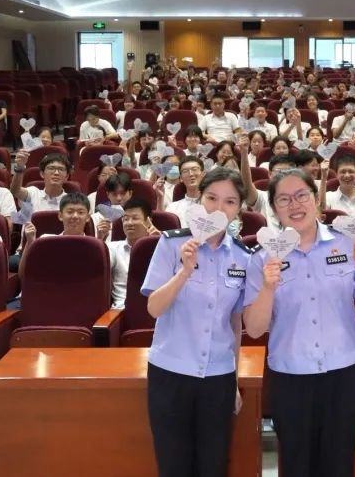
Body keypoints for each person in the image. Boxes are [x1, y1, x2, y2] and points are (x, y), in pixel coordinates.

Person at [244, 168, 355, 477]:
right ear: (274, 208)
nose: (295, 205)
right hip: (290, 377)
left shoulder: (348, 245)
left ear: (316, 200)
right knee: (296, 465)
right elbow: (253, 329)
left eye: (301, 195)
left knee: (339, 463)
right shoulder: (261, 257)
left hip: (344, 374)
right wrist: (267, 287)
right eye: (284, 199)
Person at [143, 168, 251, 477]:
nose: (219, 208)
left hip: (218, 376)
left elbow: (235, 324)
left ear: (239, 208)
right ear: (199, 200)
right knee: (173, 465)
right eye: (212, 198)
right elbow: (153, 308)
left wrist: (233, 381)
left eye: (230, 201)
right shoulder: (170, 244)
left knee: (213, 465)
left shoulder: (243, 257)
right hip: (170, 372)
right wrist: (185, 271)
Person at [108, 198, 159, 308]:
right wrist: (100, 240)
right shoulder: (112, 248)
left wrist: (159, 246)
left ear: (148, 221)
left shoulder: (162, 246)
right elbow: (98, 270)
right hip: (122, 310)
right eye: (126, 219)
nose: (129, 223)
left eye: (135, 218)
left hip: (157, 309)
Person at [163, 156, 204, 225]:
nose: (191, 174)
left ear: (203, 174)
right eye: (185, 171)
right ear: (181, 178)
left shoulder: (214, 205)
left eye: (194, 169)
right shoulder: (172, 208)